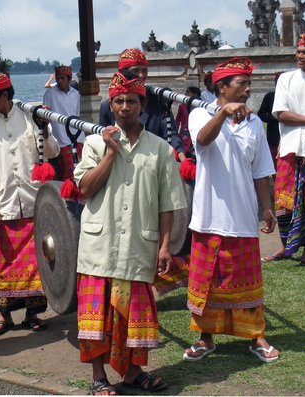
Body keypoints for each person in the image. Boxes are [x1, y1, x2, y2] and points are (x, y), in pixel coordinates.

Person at [74, 71, 187, 395]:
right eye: (119, 101)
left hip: (140, 244)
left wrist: (165, 246)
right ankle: (98, 378)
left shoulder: (162, 150)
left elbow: (168, 204)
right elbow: (85, 188)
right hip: (99, 246)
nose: (125, 107)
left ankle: (133, 373)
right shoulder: (95, 143)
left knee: (135, 316)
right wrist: (111, 152)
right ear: (111, 105)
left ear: (143, 105)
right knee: (96, 317)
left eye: (132, 101)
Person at [184, 57, 279, 363]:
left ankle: (257, 337)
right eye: (242, 84)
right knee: (208, 282)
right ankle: (205, 339)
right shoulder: (200, 113)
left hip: (243, 216)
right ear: (222, 87)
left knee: (247, 281)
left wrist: (267, 208)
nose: (248, 90)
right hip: (209, 217)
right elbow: (202, 140)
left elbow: (261, 171)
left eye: (249, 84)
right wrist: (222, 114)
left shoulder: (254, 124)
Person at [0, 73, 60, 335]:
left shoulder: (31, 115)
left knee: (38, 261)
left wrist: (44, 128)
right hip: (5, 205)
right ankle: (5, 316)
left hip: (35, 201)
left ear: (4, 96)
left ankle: (32, 314)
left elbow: (52, 152)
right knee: (5, 264)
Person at [263, 34, 305, 266]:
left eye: (304, 52)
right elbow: (282, 115)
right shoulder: (286, 80)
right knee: (283, 201)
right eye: (298, 52)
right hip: (289, 149)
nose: (299, 56)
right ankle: (284, 247)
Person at [99, 48, 186, 162]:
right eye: (136, 71)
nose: (141, 75)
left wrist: (184, 161)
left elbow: (172, 134)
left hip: (154, 160)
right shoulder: (107, 107)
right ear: (122, 72)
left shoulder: (159, 102)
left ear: (143, 105)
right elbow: (102, 141)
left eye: (144, 70)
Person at [43, 65, 82, 180]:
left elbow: (76, 114)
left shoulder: (75, 94)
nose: (59, 81)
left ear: (70, 80)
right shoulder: (50, 94)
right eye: (58, 78)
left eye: (62, 78)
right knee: (66, 173)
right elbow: (46, 116)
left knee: (80, 169)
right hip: (59, 138)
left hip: (77, 136)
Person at [258, 72, 282, 171]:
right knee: (273, 162)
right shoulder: (270, 96)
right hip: (274, 133)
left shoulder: (292, 96)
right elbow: (261, 114)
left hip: (288, 134)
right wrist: (273, 117)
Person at [175, 86, 201, 155]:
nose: (185, 93)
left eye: (188, 92)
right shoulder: (182, 106)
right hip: (184, 137)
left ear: (195, 94)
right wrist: (175, 131)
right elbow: (178, 119)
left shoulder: (200, 107)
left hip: (196, 136)